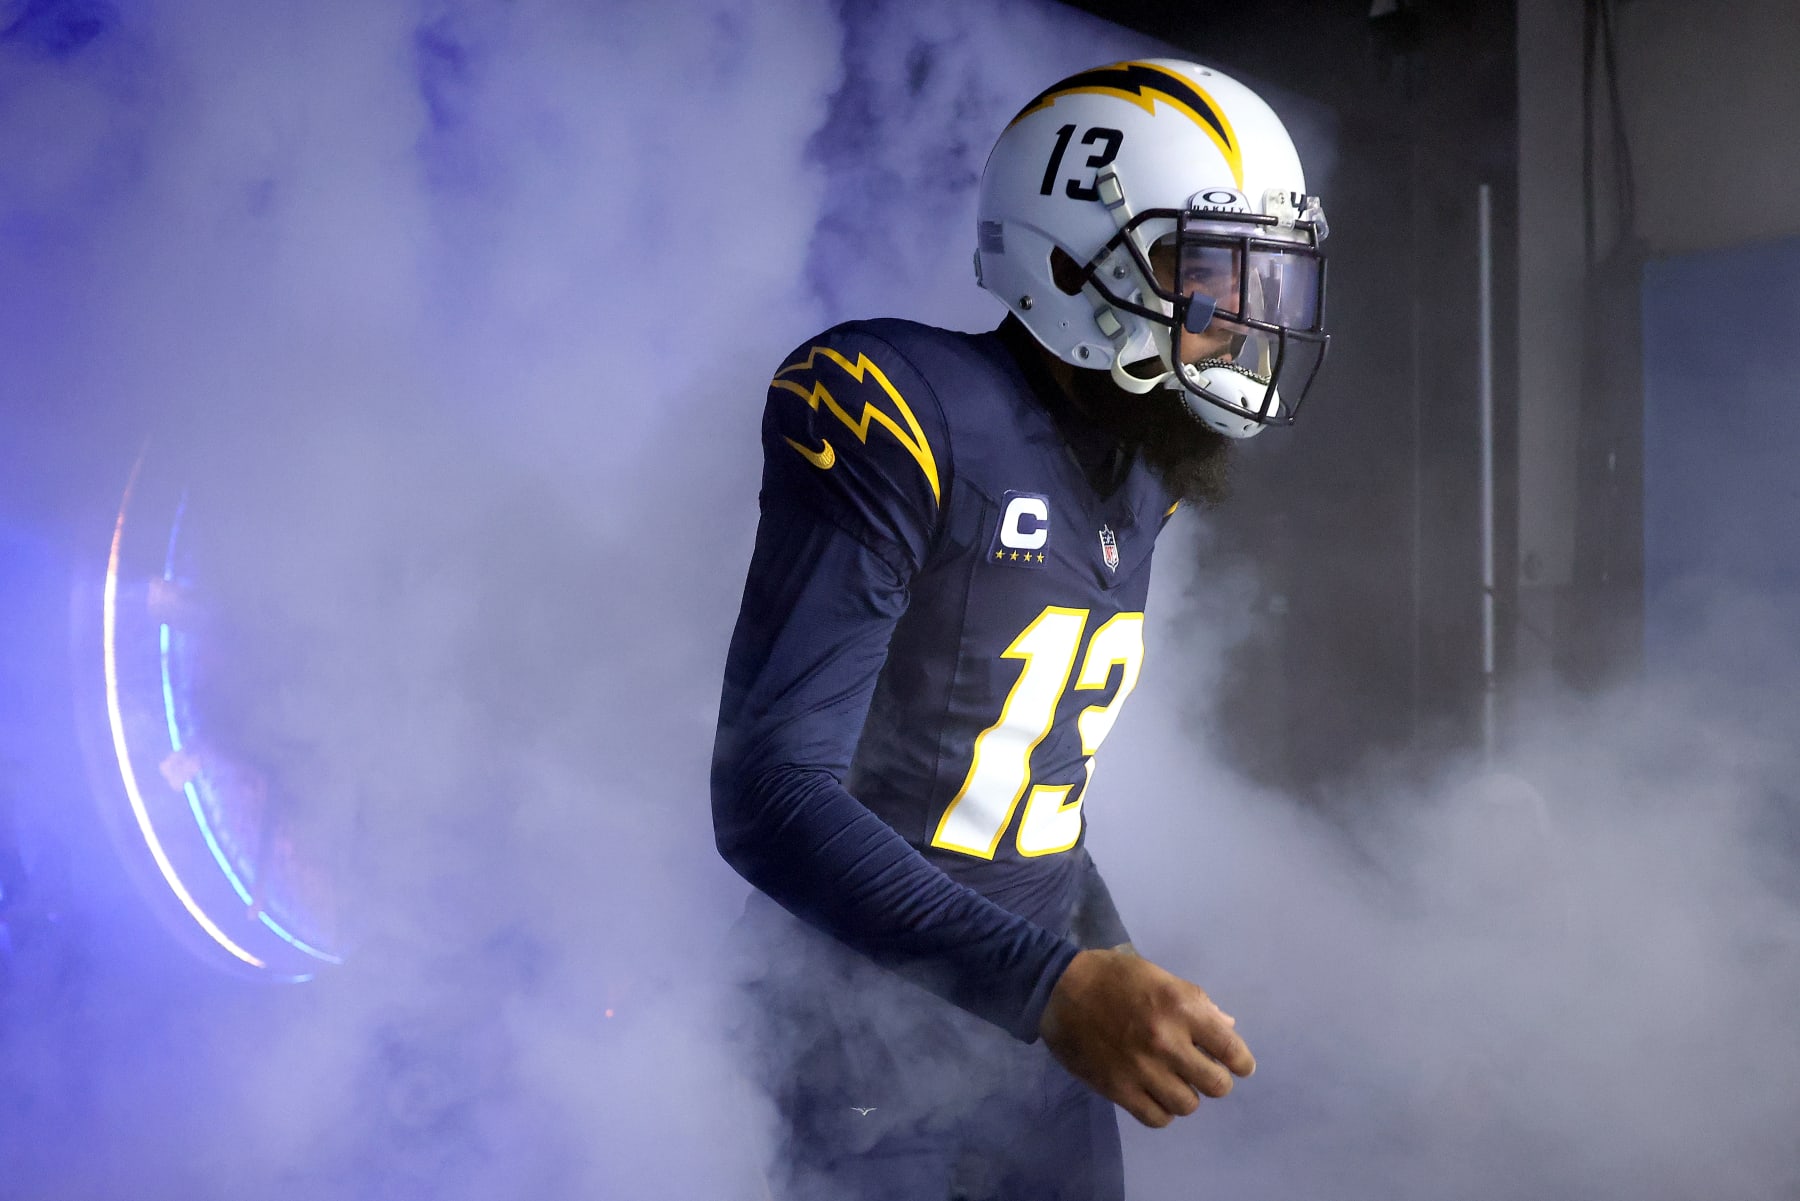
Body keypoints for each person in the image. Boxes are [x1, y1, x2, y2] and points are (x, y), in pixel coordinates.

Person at [711, 57, 1330, 1200]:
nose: (1237, 323)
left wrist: (1104, 950)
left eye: (1258, 282)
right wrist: (1058, 984)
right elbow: (768, 795)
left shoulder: (1142, 472)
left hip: (1025, 1030)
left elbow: (1007, 790)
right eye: (1203, 276)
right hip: (861, 1044)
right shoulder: (899, 403)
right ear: (1065, 252)